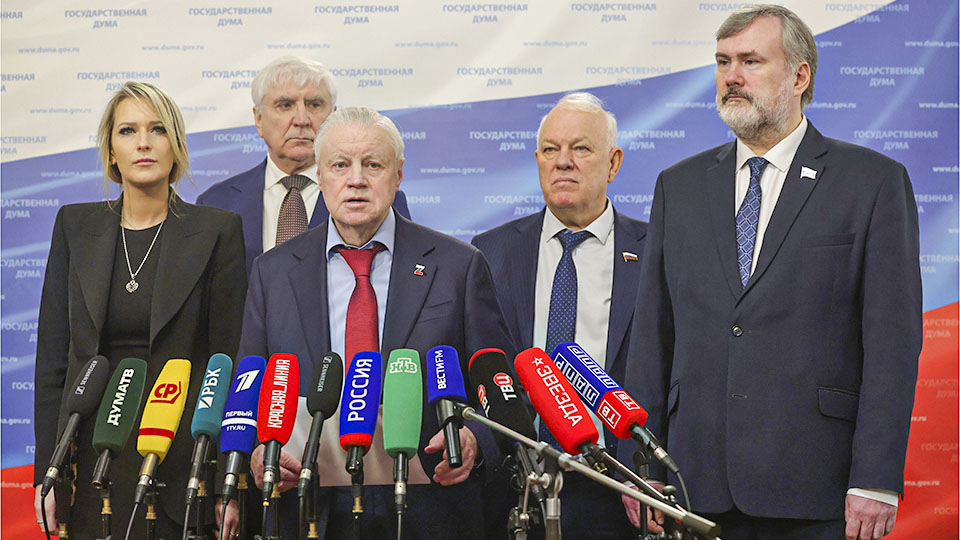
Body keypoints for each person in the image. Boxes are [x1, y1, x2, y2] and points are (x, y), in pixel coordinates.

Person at [623, 5, 921, 540]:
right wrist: (641, 466)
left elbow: (892, 344)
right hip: (694, 486)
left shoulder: (872, 182)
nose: (731, 76)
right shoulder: (678, 185)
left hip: (816, 487)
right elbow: (652, 337)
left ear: (799, 76)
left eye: (751, 61)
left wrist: (876, 478)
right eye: (723, 62)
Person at [228, 107, 515, 539]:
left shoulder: (459, 266)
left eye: (373, 165)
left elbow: (502, 388)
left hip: (430, 502)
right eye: (340, 165)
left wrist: (475, 440)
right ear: (319, 175)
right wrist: (256, 454)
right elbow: (247, 386)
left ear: (398, 175)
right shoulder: (273, 272)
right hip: (308, 505)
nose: (356, 179)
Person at [33, 81, 247, 539]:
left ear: (177, 145)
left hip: (182, 458)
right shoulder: (74, 225)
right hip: (91, 458)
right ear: (111, 150)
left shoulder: (217, 230)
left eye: (158, 129)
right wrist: (47, 473)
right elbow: (53, 363)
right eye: (128, 131)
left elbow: (227, 362)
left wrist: (225, 484)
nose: (144, 143)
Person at [472, 92, 646, 539]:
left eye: (580, 148)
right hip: (516, 488)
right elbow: (480, 366)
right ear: (537, 161)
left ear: (613, 163)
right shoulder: (490, 251)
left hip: (619, 488)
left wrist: (644, 473)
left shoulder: (655, 252)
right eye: (550, 149)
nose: (562, 162)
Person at [197, 56, 410, 276]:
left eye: (314, 105)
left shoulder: (377, 199)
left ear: (333, 116)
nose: (301, 119)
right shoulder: (217, 202)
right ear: (258, 118)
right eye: (285, 105)